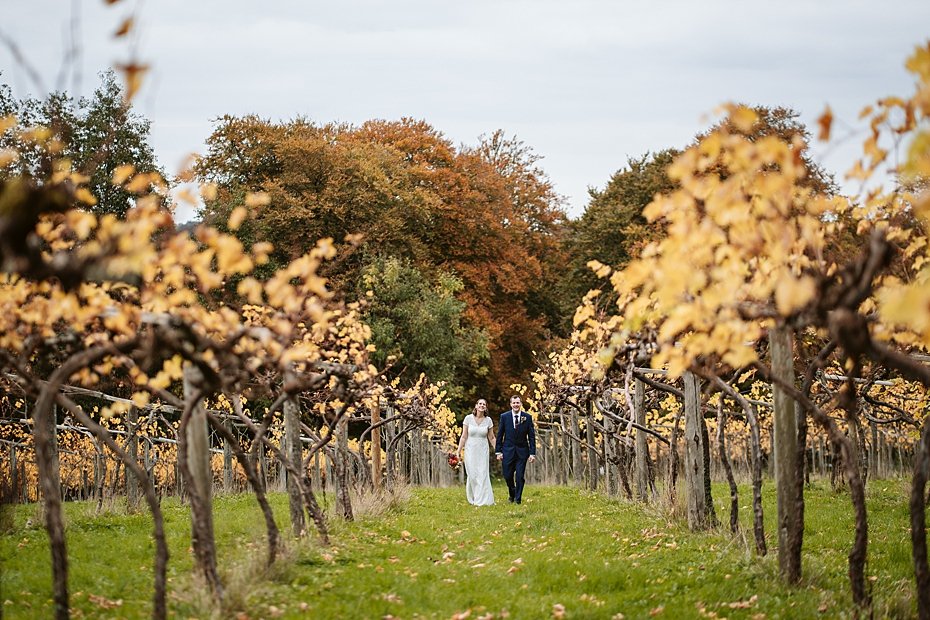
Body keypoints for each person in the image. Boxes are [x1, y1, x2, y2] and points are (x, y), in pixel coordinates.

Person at [495, 394, 536, 504]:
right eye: (514, 403)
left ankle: (518, 499)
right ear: (510, 404)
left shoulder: (527, 417)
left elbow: (531, 436)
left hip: (522, 452)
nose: (516, 405)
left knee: (519, 476)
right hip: (507, 451)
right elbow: (500, 434)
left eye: (518, 402)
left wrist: (532, 453)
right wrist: (498, 451)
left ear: (521, 404)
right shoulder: (504, 417)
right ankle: (512, 493)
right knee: (508, 476)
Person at [457, 398, 496, 506]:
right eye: (480, 404)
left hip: (483, 450)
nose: (482, 405)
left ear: (485, 407)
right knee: (472, 474)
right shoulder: (468, 419)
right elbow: (464, 436)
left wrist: (498, 451)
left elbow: (492, 438)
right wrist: (458, 451)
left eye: (484, 404)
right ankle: (473, 497)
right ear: (476, 406)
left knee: (482, 474)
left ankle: (481, 501)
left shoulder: (488, 420)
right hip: (470, 450)